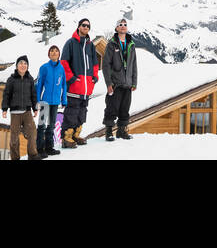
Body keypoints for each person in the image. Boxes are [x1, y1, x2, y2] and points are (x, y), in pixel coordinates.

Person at [59, 18, 99, 148]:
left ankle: (76, 135)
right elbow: (64, 63)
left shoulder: (90, 45)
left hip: (87, 88)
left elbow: (95, 64)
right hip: (74, 87)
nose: (86, 27)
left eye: (88, 25)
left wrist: (94, 78)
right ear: (79, 27)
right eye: (83, 25)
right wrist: (71, 79)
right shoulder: (70, 43)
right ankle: (66, 138)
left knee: (82, 113)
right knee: (71, 112)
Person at [102, 17, 139, 141]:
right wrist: (108, 83)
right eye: (120, 24)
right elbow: (106, 65)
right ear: (116, 28)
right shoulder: (111, 44)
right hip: (115, 83)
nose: (123, 26)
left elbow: (134, 65)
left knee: (125, 109)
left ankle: (121, 131)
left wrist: (134, 82)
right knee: (112, 107)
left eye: (125, 24)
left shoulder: (131, 44)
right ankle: (108, 132)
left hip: (128, 83)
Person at [0, 55, 42, 160]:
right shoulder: (11, 79)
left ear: (27, 66)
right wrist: (4, 109)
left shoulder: (30, 79)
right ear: (17, 65)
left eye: (25, 64)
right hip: (15, 113)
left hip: (27, 111)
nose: (23, 65)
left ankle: (32, 155)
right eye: (21, 63)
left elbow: (33, 95)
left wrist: (35, 108)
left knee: (32, 132)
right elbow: (6, 94)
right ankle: (15, 157)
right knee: (14, 137)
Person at [35, 44, 67, 157]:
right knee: (42, 126)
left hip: (55, 102)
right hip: (45, 102)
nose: (54, 52)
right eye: (52, 51)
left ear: (59, 54)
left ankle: (49, 148)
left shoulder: (61, 68)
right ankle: (39, 149)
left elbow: (64, 85)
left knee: (51, 126)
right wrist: (38, 100)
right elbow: (39, 85)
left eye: (56, 51)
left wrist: (64, 100)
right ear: (49, 54)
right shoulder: (44, 67)